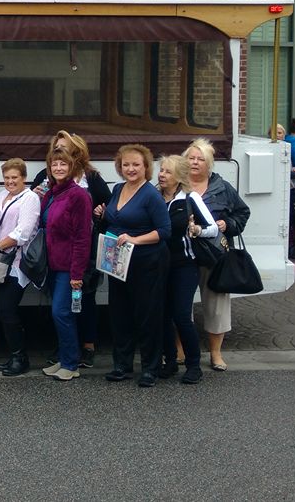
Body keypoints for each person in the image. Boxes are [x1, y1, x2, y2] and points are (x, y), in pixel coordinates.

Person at [30, 131, 110, 368]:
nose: (60, 153)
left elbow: (109, 205)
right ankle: (67, 350)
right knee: (61, 307)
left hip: (82, 251)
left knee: (84, 300)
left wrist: (102, 212)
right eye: (57, 148)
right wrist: (34, 197)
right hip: (55, 255)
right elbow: (35, 210)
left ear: (76, 152)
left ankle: (86, 347)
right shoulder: (48, 179)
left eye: (65, 148)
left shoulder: (89, 180)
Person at [102, 144, 171, 387]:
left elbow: (164, 231)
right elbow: (114, 217)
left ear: (146, 167)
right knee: (119, 314)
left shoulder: (151, 195)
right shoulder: (118, 188)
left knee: (147, 316)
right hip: (118, 262)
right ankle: (122, 365)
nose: (130, 169)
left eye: (136, 164)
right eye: (126, 164)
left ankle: (151, 368)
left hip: (146, 262)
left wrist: (135, 239)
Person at [185, 138, 250, 372]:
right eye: (191, 158)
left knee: (216, 305)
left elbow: (242, 213)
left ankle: (215, 353)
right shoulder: (175, 183)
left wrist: (227, 224)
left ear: (209, 163)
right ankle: (180, 350)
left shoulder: (222, 187)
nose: (194, 162)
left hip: (213, 254)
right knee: (179, 304)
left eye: (200, 159)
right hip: (181, 254)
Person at [40, 149, 92, 381]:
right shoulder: (51, 193)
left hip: (69, 267)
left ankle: (71, 364)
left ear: (71, 168)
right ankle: (64, 358)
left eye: (63, 164)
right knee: (60, 314)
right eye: (55, 164)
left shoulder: (78, 195)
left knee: (61, 312)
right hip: (52, 264)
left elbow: (82, 237)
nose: (58, 168)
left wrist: (77, 273)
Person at [157, 154, 210, 385]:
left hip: (184, 266)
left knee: (181, 315)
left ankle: (193, 365)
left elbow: (212, 228)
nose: (161, 175)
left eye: (167, 171)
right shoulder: (154, 196)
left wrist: (197, 230)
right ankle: (169, 361)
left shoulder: (190, 198)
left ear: (179, 176)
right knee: (162, 316)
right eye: (161, 170)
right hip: (158, 266)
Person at [0, 158, 40, 377]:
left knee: (8, 310)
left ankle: (21, 358)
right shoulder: (2, 195)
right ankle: (13, 355)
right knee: (2, 310)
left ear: (24, 178)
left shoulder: (30, 198)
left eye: (14, 177)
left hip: (16, 262)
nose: (10, 181)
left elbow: (23, 232)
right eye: (6, 177)